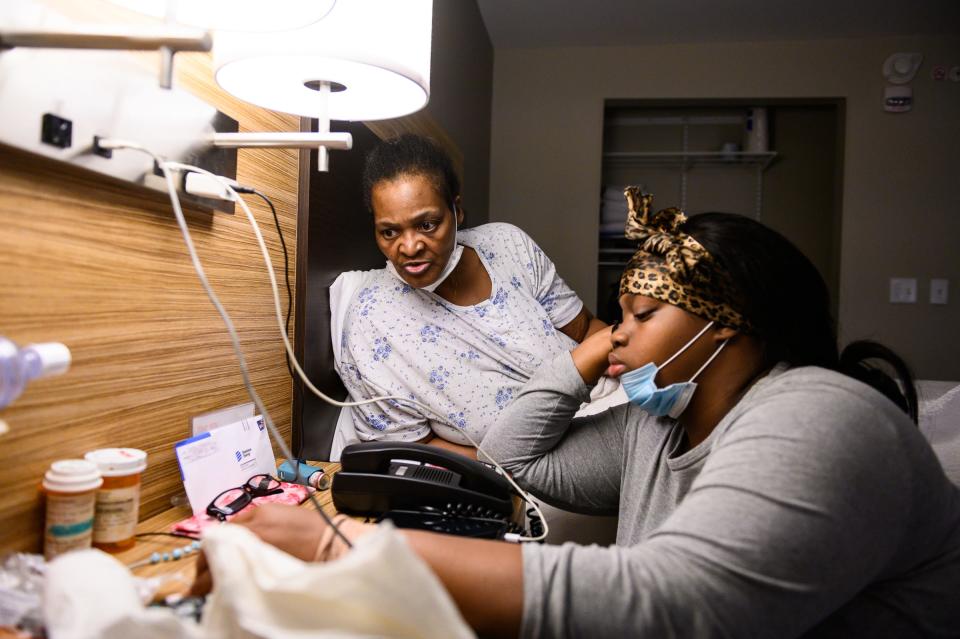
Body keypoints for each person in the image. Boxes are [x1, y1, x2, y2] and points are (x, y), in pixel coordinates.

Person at [195, 190, 960, 637]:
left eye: (645, 312)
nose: (618, 328)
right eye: (617, 311)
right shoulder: (659, 424)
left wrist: (340, 547)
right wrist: (598, 351)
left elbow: (672, 600)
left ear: (723, 320)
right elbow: (514, 454)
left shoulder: (820, 414)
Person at [333, 134, 606, 456]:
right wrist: (507, 470)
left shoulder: (507, 245)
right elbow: (415, 448)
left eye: (428, 225)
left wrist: (640, 373)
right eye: (389, 231)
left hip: (606, 404)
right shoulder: (373, 321)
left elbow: (587, 330)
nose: (409, 247)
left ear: (457, 211)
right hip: (524, 467)